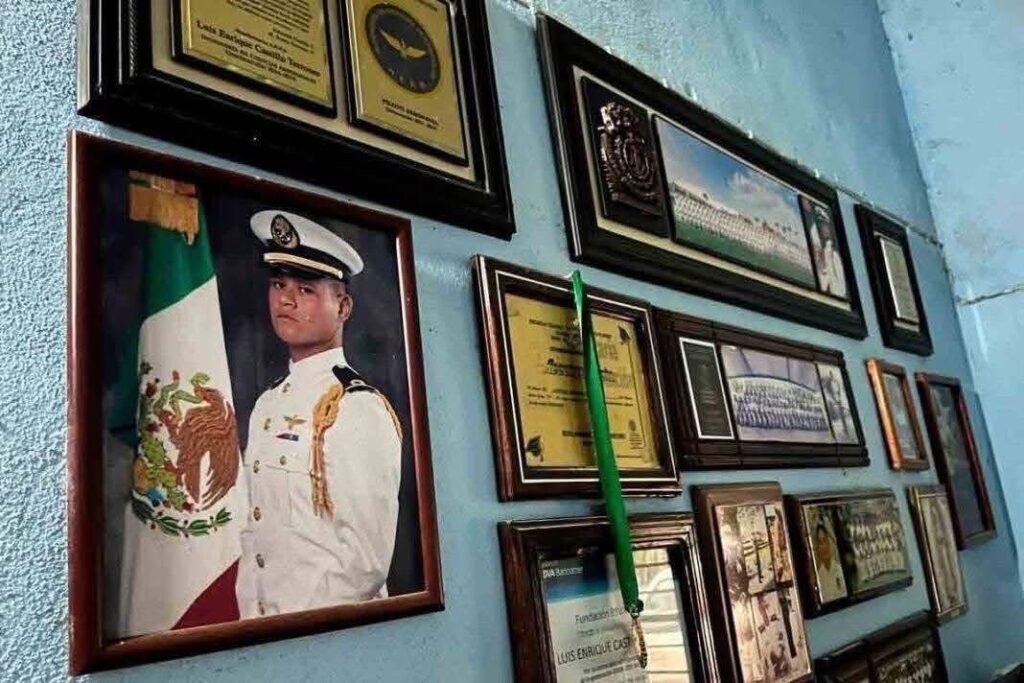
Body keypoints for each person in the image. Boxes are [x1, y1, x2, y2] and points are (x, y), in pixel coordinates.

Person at [235, 210, 402, 619]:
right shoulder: (268, 403)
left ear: (343, 306)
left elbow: (365, 564)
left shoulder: (355, 407)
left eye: (306, 289)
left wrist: (293, 631)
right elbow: (255, 534)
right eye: (278, 284)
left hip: (330, 632)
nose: (286, 300)